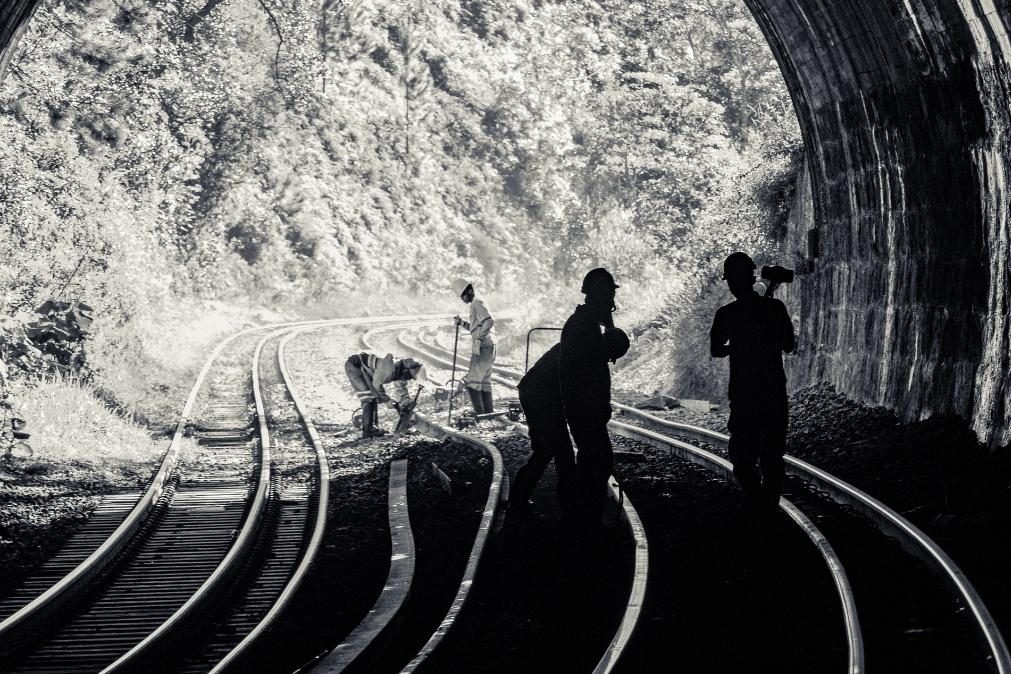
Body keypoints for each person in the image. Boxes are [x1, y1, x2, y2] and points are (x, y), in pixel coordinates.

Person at [511, 327, 630, 520]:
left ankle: (562, 504)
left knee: (560, 452)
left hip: (541, 395)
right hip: (540, 397)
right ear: (608, 347)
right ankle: (519, 503)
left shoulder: (587, 346)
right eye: (610, 356)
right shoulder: (586, 352)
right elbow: (578, 392)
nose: (608, 360)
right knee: (548, 450)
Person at [709, 252, 796, 511]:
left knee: (743, 458)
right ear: (753, 275)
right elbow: (789, 345)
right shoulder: (775, 308)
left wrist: (737, 345)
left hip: (744, 395)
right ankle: (767, 507)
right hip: (773, 393)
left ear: (731, 282)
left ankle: (760, 506)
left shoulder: (726, 314)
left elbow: (716, 350)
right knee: (772, 456)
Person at [559, 268, 621, 530]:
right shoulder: (584, 328)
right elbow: (588, 374)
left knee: (593, 461)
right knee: (596, 462)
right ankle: (586, 522)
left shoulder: (584, 324)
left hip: (584, 409)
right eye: (608, 295)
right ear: (597, 296)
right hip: (585, 410)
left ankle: (584, 520)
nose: (611, 303)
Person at [345, 352, 426, 438]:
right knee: (368, 397)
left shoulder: (400, 371)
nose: (407, 378)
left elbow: (401, 389)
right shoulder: (388, 370)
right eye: (409, 376)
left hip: (365, 369)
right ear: (405, 370)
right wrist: (387, 400)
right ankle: (368, 430)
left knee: (373, 397)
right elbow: (376, 384)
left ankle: (373, 427)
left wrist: (404, 401)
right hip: (355, 366)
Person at [451, 278, 496, 415]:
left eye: (463, 295)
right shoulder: (477, 303)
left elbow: (488, 321)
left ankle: (481, 414)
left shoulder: (477, 302)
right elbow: (476, 327)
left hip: (483, 346)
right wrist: (462, 323)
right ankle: (488, 413)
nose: (462, 299)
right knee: (484, 382)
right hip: (490, 344)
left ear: (469, 290)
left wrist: (479, 339)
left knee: (472, 382)